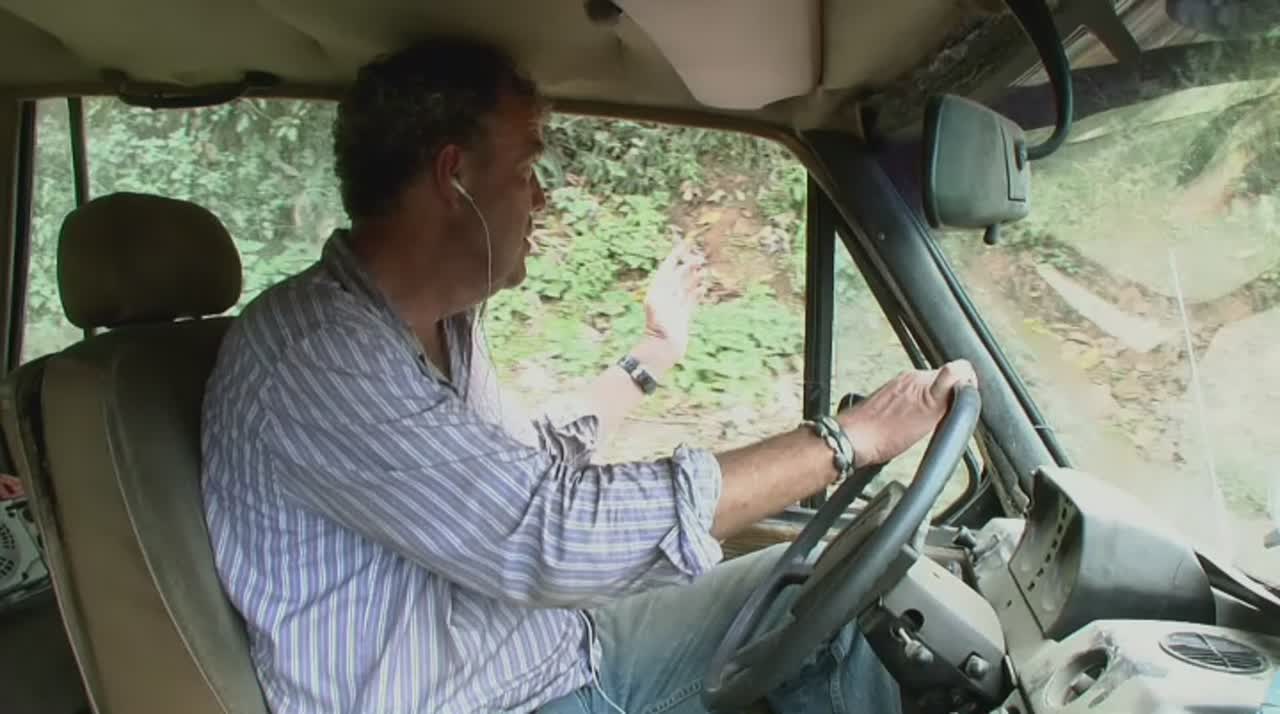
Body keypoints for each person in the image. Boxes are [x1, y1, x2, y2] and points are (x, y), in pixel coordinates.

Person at [200, 37, 978, 714]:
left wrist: (651, 355)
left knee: (818, 581)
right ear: (452, 176)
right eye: (527, 168)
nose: (542, 197)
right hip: (494, 698)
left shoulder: (436, 326)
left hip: (542, 647)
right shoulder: (319, 354)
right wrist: (846, 441)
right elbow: (547, 531)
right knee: (834, 614)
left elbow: (517, 470)